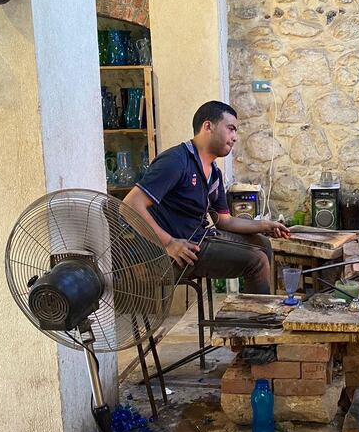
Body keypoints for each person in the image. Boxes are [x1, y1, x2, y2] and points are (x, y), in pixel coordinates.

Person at [123, 100, 289, 294]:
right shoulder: (175, 161)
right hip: (172, 253)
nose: (235, 137)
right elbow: (130, 205)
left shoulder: (214, 173)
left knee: (263, 244)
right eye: (230, 129)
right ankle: (258, 321)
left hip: (199, 240)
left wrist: (265, 225)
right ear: (208, 126)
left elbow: (224, 221)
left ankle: (255, 312)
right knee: (257, 260)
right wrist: (168, 243)